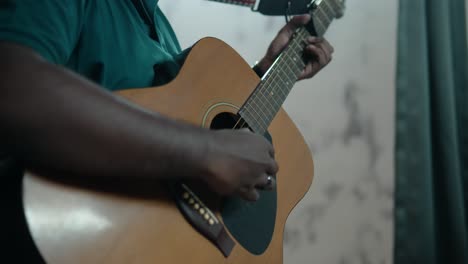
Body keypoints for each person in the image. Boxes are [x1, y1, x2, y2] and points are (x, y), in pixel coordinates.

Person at [0, 0, 334, 262]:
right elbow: (14, 87)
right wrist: (206, 151)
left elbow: (165, 120)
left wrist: (266, 72)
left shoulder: (161, 31)